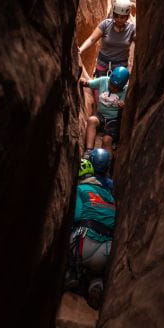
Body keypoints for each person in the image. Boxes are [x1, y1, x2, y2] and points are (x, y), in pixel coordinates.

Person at [64, 158, 116, 309]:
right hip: (107, 250)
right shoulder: (110, 196)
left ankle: (71, 272)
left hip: (84, 243)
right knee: (96, 272)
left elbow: (76, 216)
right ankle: (96, 286)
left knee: (71, 234)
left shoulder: (81, 189)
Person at [77, 0, 135, 85]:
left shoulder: (132, 29)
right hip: (103, 66)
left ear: (127, 16)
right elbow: (92, 39)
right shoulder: (106, 25)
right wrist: (81, 49)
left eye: (122, 17)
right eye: (116, 16)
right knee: (99, 93)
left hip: (120, 70)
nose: (119, 19)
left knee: (115, 96)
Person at [80, 66, 129, 153]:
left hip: (113, 120)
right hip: (100, 116)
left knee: (107, 140)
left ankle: (107, 163)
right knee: (91, 120)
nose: (112, 88)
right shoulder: (103, 81)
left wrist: (124, 106)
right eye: (111, 85)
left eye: (116, 88)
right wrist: (85, 82)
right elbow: (90, 83)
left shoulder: (126, 90)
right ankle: (88, 151)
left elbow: (129, 106)